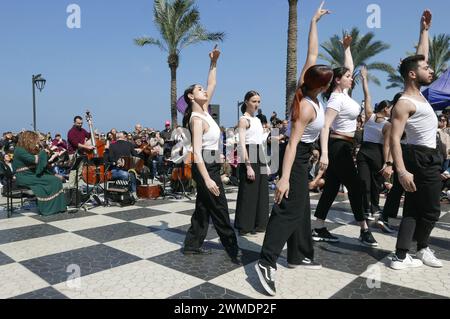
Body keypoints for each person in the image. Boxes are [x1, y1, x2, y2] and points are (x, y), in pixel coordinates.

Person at [255, 2, 331, 296]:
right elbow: (292, 144)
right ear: (323, 87)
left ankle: (298, 254)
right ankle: (266, 261)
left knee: (300, 208)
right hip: (295, 156)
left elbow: (311, 53)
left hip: (302, 155)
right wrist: (284, 178)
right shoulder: (307, 109)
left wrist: (314, 21)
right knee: (289, 207)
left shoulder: (307, 87)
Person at [313, 29, 378, 246]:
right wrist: (324, 154)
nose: (352, 78)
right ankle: (364, 229)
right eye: (348, 77)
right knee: (356, 186)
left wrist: (347, 48)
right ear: (338, 80)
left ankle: (319, 226)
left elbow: (348, 68)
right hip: (338, 145)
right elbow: (325, 127)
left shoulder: (345, 95)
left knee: (331, 187)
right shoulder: (335, 99)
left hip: (346, 145)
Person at [389, 10, 443, 270]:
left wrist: (424, 31)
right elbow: (394, 139)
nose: (430, 70)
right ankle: (421, 247)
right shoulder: (404, 103)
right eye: (425, 69)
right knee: (432, 209)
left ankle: (401, 254)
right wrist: (401, 171)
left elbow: (422, 57)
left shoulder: (422, 96)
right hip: (419, 157)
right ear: (412, 75)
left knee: (413, 206)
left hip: (427, 156)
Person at [181, 46, 240, 264]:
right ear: (191, 96)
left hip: (211, 161)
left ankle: (191, 245)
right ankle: (233, 249)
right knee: (219, 206)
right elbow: (196, 152)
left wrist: (213, 62)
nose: (204, 90)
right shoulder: (196, 119)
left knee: (204, 207)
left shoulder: (204, 111)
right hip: (204, 164)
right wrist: (206, 179)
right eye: (199, 89)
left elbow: (212, 83)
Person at [357, 66, 393, 221]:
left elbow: (386, 145)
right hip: (365, 152)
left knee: (375, 184)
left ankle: (375, 208)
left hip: (377, 154)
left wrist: (386, 163)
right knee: (364, 183)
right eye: (390, 108)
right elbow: (367, 94)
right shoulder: (369, 115)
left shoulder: (388, 124)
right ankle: (366, 209)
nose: (392, 111)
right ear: (385, 109)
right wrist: (364, 78)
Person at [234, 91, 269, 236]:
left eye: (258, 101)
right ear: (246, 102)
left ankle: (259, 224)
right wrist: (248, 166)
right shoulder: (243, 120)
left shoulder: (257, 120)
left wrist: (265, 163)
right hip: (248, 154)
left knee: (261, 191)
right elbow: (241, 144)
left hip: (259, 154)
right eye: (254, 101)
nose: (257, 104)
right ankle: (244, 225)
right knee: (248, 192)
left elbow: (260, 142)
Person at [13, 131, 67, 216]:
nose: (35, 142)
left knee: (55, 180)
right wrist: (44, 152)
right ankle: (49, 209)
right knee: (53, 180)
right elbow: (35, 160)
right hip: (24, 176)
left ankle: (58, 207)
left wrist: (49, 154)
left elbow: (42, 162)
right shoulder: (19, 150)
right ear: (28, 139)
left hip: (32, 174)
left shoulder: (29, 150)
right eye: (34, 140)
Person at [106, 131, 143, 199]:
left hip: (115, 170)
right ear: (124, 136)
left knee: (128, 174)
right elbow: (137, 157)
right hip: (126, 171)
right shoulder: (129, 144)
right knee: (130, 174)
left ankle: (132, 191)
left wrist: (116, 162)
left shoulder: (112, 145)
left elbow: (110, 159)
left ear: (117, 137)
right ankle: (134, 192)